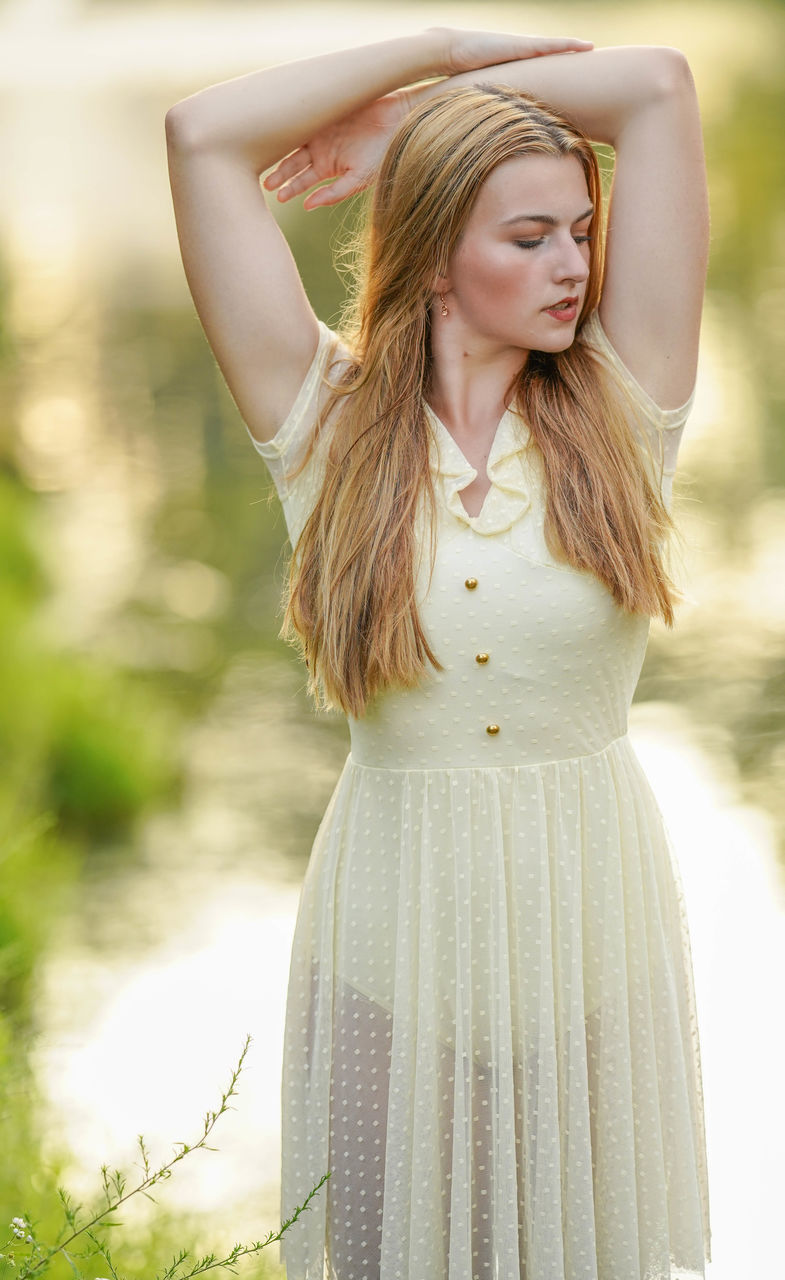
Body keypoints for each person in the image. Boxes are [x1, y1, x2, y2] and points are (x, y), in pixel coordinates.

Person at [165, 25, 711, 1280]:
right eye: (527, 239)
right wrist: (433, 49)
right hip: (386, 941)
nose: (571, 265)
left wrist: (421, 106)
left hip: (591, 935)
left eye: (579, 230)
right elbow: (202, 139)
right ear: (430, 260)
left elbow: (654, 87)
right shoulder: (323, 428)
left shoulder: (625, 409)